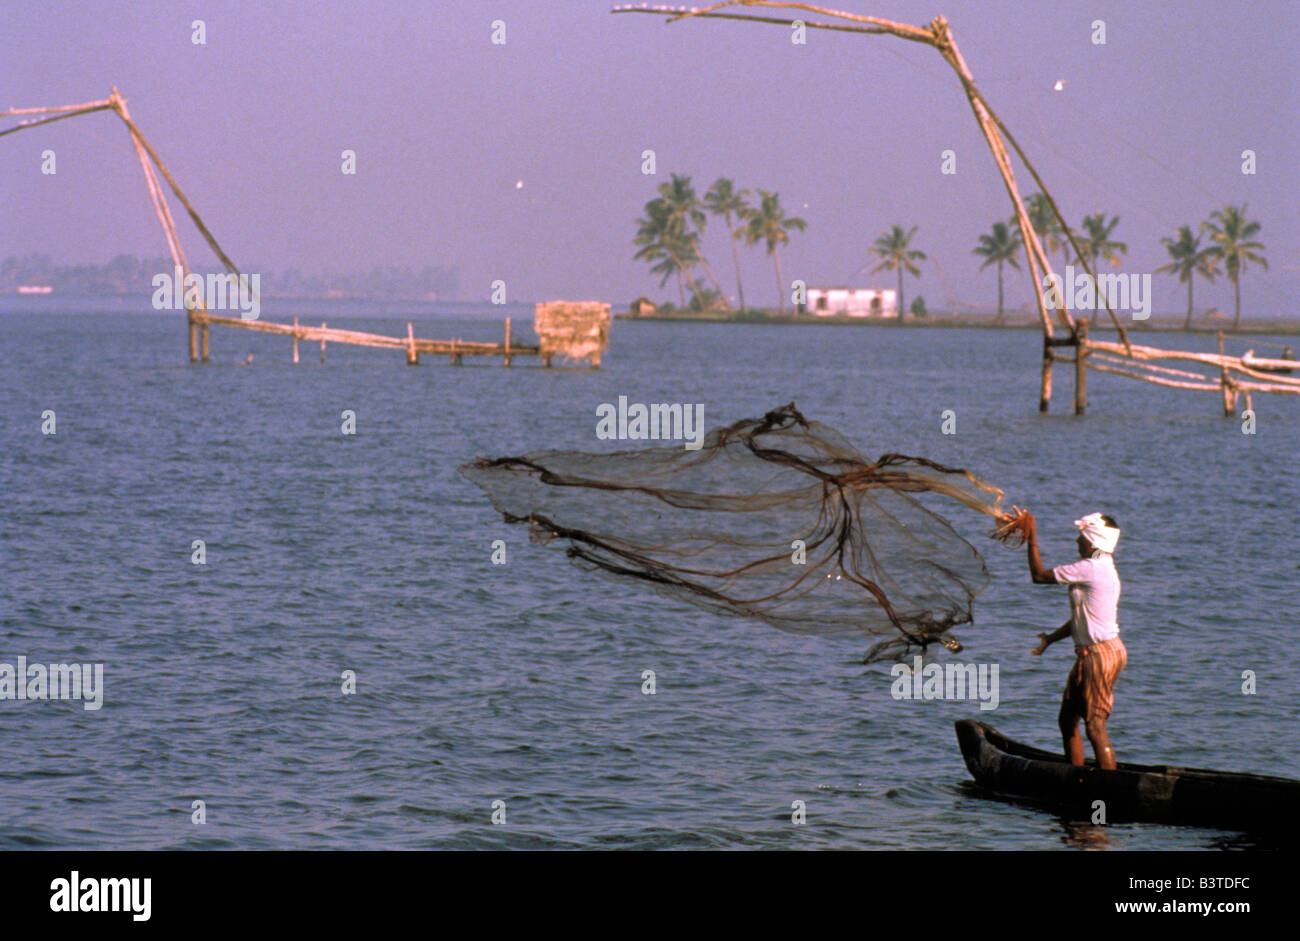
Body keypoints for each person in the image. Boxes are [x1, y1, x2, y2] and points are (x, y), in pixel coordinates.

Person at [1016, 509, 1126, 770]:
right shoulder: (1100, 566)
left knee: (1095, 725)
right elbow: (1084, 619)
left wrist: (1031, 536)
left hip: (1101, 654)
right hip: (1094, 653)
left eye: (1080, 538)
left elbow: (1039, 576)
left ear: (1092, 542)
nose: (1076, 542)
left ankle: (1107, 791)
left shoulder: (1093, 568)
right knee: (1067, 719)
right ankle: (1077, 777)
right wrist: (1051, 639)